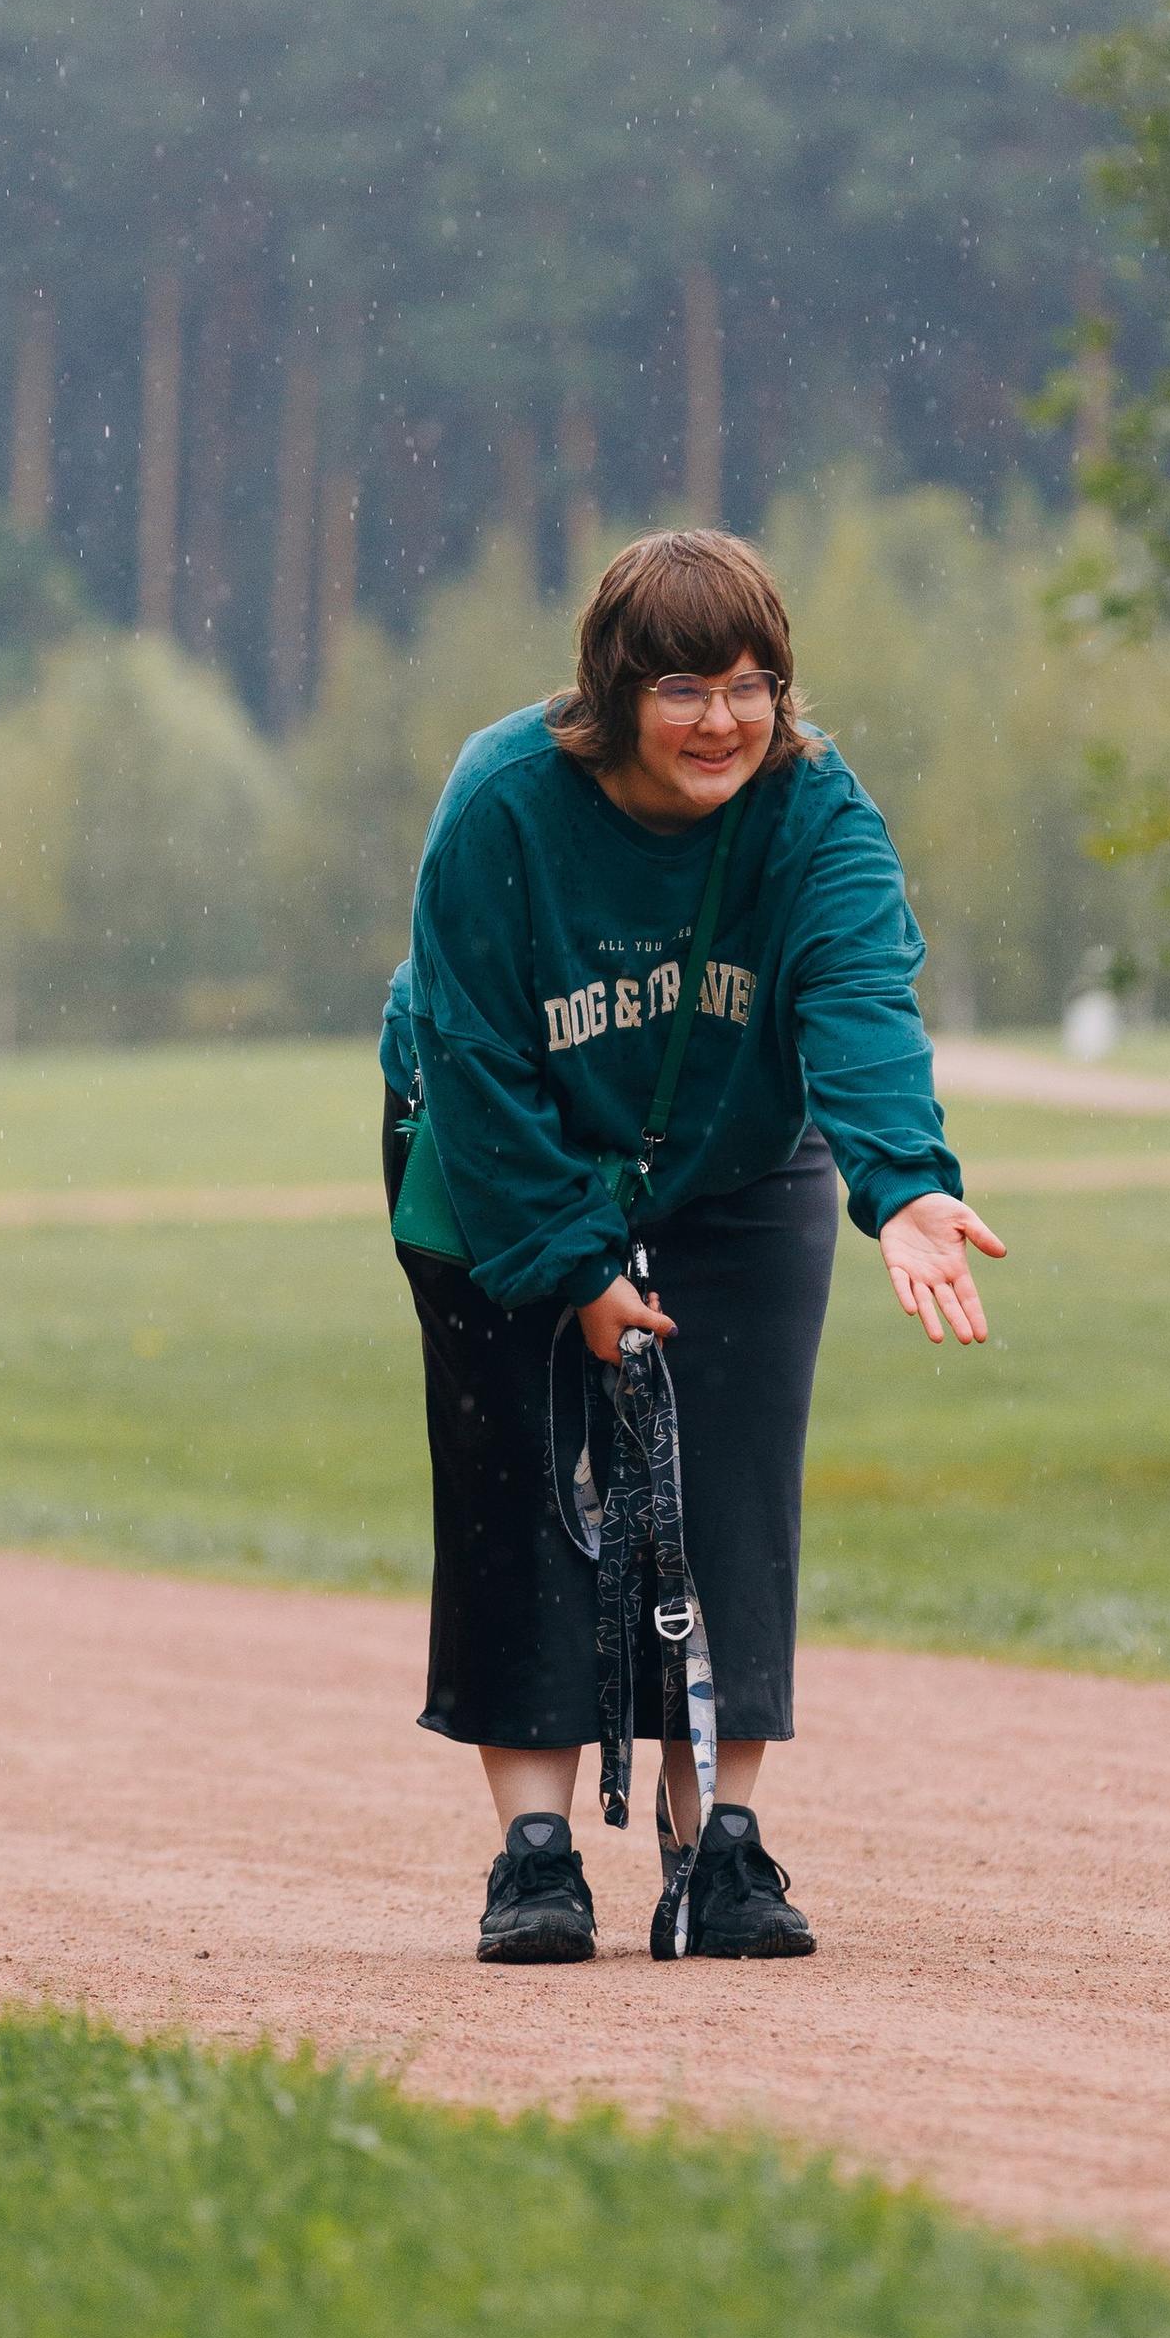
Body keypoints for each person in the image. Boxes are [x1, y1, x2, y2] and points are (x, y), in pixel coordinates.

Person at [380, 525, 1003, 1967]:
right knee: (517, 1483)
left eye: (747, 683)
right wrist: (574, 1268)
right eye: (679, 688)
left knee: (728, 1483)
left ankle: (716, 1844)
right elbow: (473, 1051)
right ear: (611, 693)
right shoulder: (505, 802)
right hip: (491, 1147)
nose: (719, 720)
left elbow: (858, 997)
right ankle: (532, 1857)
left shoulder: (813, 812)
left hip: (733, 1154)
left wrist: (905, 1183)